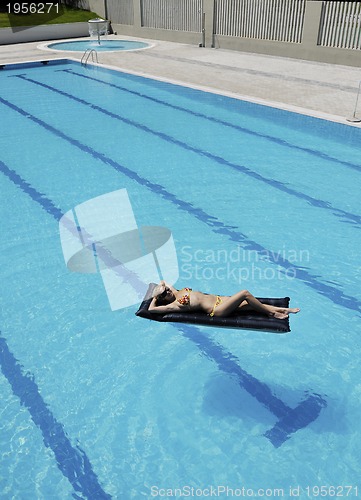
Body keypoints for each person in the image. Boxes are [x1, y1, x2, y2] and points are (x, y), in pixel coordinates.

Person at [149, 281, 300, 319]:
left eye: (166, 289)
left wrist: (161, 286)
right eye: (164, 292)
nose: (168, 290)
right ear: (162, 298)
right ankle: (272, 314)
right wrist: (154, 298)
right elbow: (151, 310)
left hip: (221, 300)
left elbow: (164, 281)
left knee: (250, 305)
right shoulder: (175, 305)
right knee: (245, 294)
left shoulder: (175, 292)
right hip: (217, 309)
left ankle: (282, 310)